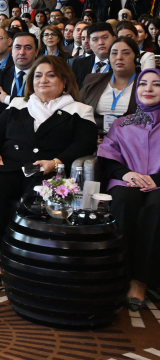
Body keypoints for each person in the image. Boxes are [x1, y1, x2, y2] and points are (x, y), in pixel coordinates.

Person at [0, 55, 97, 283]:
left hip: (49, 172)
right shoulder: (18, 105)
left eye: (51, 75)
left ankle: (27, 259)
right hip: (10, 167)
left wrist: (56, 162)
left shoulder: (80, 109)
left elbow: (85, 144)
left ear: (64, 81)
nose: (43, 80)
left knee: (36, 199)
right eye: (38, 75)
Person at [95, 68, 160, 311]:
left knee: (156, 206)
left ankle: (140, 280)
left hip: (159, 184)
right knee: (123, 201)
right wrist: (127, 174)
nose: (149, 89)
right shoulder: (124, 122)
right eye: (143, 84)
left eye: (156, 84)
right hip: (127, 180)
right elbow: (108, 158)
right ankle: (116, 274)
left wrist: (155, 179)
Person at [80, 36, 140, 132]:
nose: (119, 57)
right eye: (114, 53)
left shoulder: (145, 83)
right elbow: (77, 111)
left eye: (126, 53)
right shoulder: (93, 80)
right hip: (93, 137)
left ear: (136, 58)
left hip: (131, 138)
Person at [0, 31, 40, 119]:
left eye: (28, 48)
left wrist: (7, 99)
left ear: (36, 52)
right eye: (17, 47)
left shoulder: (42, 77)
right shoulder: (0, 74)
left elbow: (38, 106)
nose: (22, 52)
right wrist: (17, 111)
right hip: (0, 128)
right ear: (12, 51)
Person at [70, 22, 116, 89]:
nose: (100, 43)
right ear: (90, 43)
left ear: (114, 39)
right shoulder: (78, 64)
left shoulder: (120, 63)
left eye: (105, 38)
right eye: (95, 39)